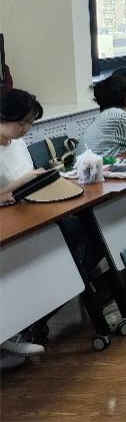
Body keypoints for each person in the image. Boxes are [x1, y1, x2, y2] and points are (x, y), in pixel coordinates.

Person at [0, 89, 49, 366]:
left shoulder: (16, 143)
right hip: (7, 224)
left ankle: (33, 318)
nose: (26, 129)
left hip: (27, 212)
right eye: (22, 123)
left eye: (31, 123)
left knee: (73, 230)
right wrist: (23, 182)